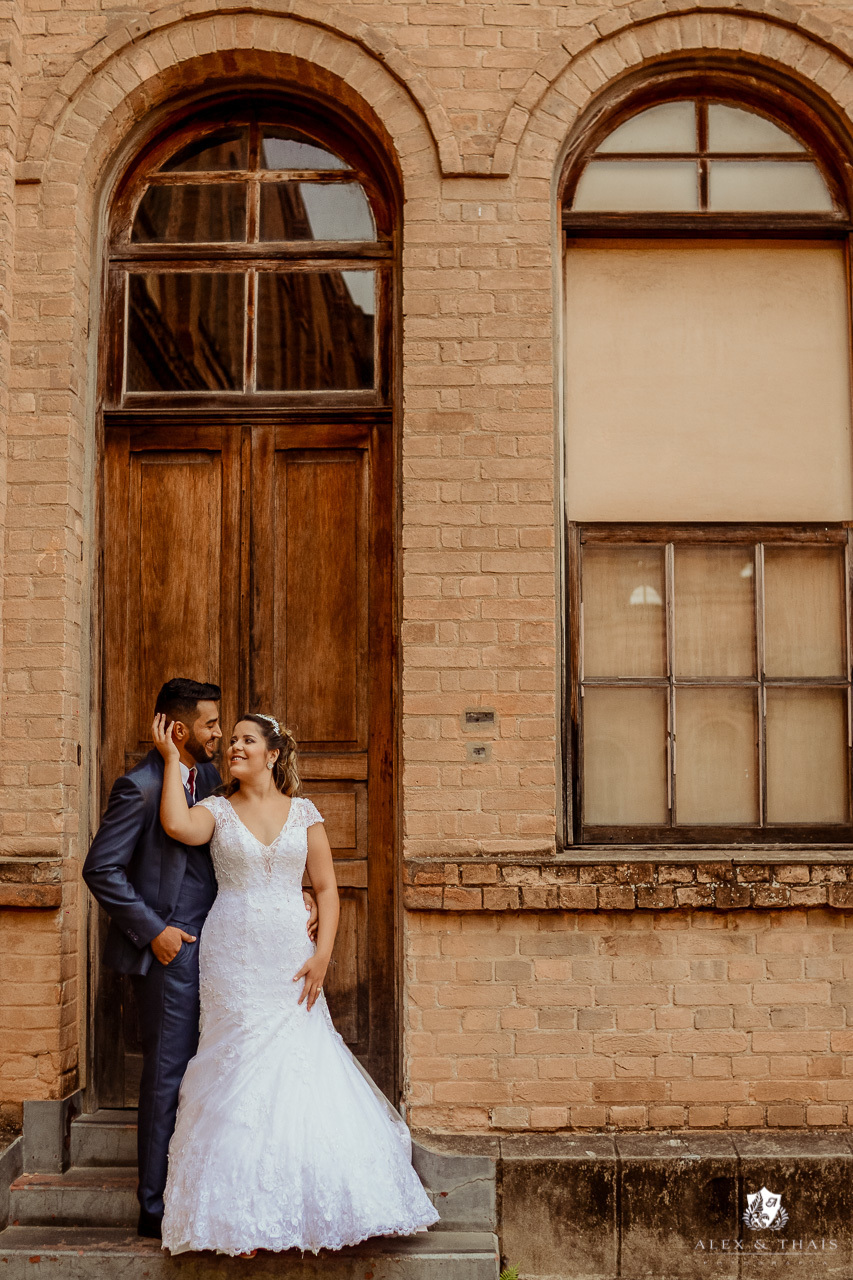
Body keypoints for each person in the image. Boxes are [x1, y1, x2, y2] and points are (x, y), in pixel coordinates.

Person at [151, 710, 440, 1256]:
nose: (234, 747)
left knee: (298, 1062)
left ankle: (305, 1207)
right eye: (231, 740)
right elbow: (174, 826)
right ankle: (240, 1221)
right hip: (232, 954)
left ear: (272, 753)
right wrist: (171, 759)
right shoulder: (214, 809)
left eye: (246, 740)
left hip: (290, 953)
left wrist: (324, 954)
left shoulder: (304, 812)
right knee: (235, 1066)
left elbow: (326, 888)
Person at [82, 678, 320, 1240]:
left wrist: (295, 890)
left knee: (222, 1069)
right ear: (181, 729)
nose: (222, 736)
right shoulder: (139, 786)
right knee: (168, 1074)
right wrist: (152, 930)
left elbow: (245, 843)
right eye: (214, 726)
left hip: (226, 950)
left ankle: (216, 1191)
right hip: (172, 951)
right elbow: (101, 869)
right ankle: (154, 1208)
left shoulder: (215, 780)